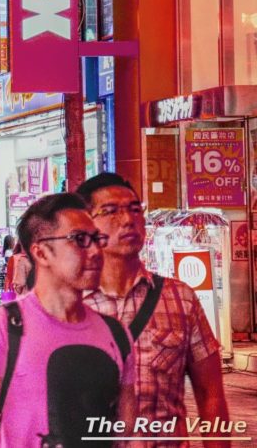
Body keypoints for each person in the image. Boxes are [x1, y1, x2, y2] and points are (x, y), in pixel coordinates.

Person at [0, 193, 137, 447]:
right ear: (41, 253)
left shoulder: (116, 333)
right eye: (80, 240)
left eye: (97, 239)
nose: (96, 251)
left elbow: (129, 431)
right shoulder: (1, 326)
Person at [78, 173, 228, 447]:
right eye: (110, 211)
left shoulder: (180, 298)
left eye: (135, 209)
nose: (127, 220)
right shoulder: (71, 305)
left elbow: (211, 394)